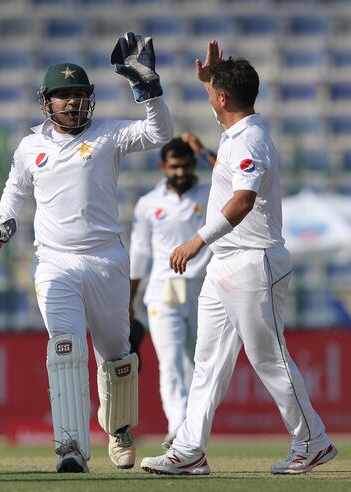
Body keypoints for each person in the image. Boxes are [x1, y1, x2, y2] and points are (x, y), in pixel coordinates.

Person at [0, 32, 173, 473]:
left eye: (79, 96)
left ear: (90, 100)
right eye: (63, 97)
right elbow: (13, 194)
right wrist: (0, 224)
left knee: (116, 353)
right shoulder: (31, 146)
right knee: (63, 346)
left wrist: (147, 87)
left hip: (106, 259)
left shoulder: (109, 134)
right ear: (46, 102)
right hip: (55, 262)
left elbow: (161, 132)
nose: (71, 104)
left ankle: (118, 428)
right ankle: (70, 448)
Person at [140, 40, 336, 476]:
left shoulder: (251, 139)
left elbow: (243, 200)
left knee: (269, 357)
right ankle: (189, 449)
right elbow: (228, 129)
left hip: (252, 260)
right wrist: (212, 79)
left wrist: (197, 241)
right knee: (207, 361)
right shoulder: (235, 133)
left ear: (224, 99)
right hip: (226, 264)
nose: (209, 97)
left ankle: (313, 440)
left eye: (212, 92)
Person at [129, 136, 211, 450]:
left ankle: (194, 427)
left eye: (186, 165)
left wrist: (204, 152)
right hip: (165, 289)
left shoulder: (212, 193)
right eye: (174, 166)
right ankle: (177, 425)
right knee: (171, 359)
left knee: (198, 360)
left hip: (204, 288)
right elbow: (139, 253)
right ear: (163, 166)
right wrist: (130, 299)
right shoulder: (149, 203)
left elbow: (238, 184)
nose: (180, 172)